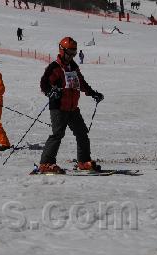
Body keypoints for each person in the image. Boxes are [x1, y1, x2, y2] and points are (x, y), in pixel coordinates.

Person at [36, 36, 104, 174]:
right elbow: (44, 83)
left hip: (72, 108)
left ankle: (83, 162)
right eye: (70, 53)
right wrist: (50, 92)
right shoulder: (54, 67)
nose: (72, 56)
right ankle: (46, 163)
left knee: (82, 133)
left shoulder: (73, 67)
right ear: (62, 51)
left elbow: (81, 83)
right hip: (59, 107)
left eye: (74, 53)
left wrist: (93, 93)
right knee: (57, 134)